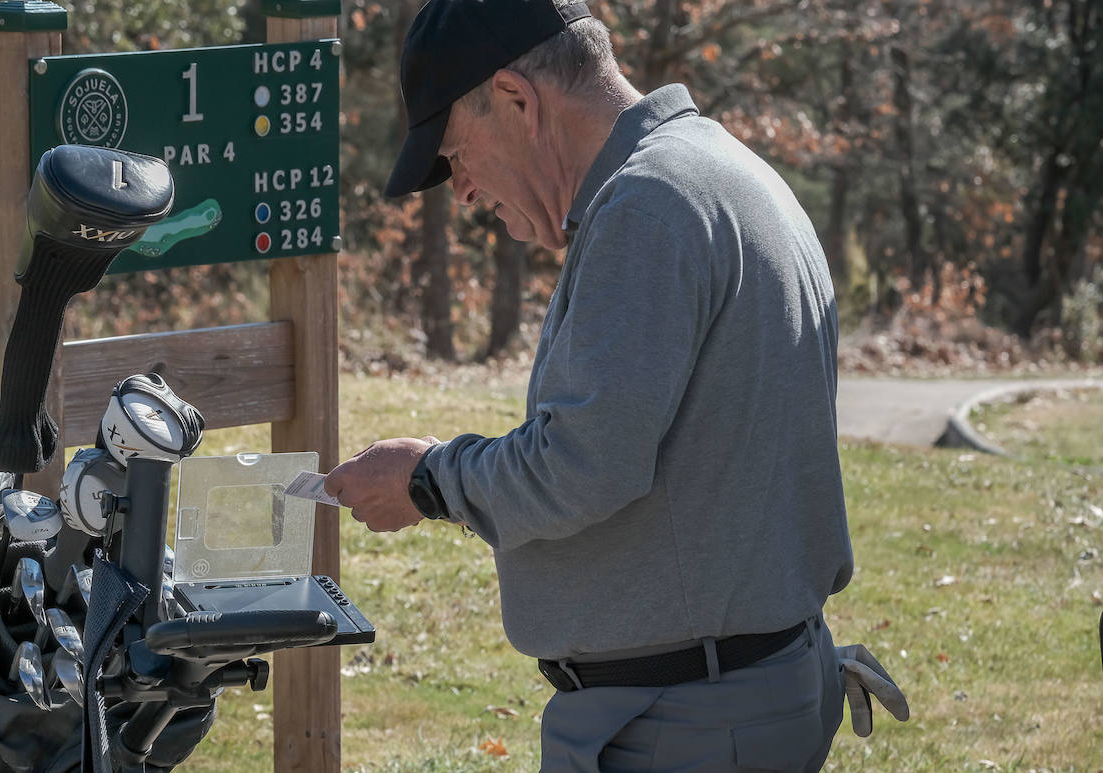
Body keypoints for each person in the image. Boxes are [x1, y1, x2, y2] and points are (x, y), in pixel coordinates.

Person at [324, 0, 906, 770]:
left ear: (517, 101)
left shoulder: (649, 205)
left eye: (457, 154)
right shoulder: (715, 168)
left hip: (685, 718)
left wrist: (429, 479)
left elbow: (583, 463)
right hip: (730, 694)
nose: (460, 191)